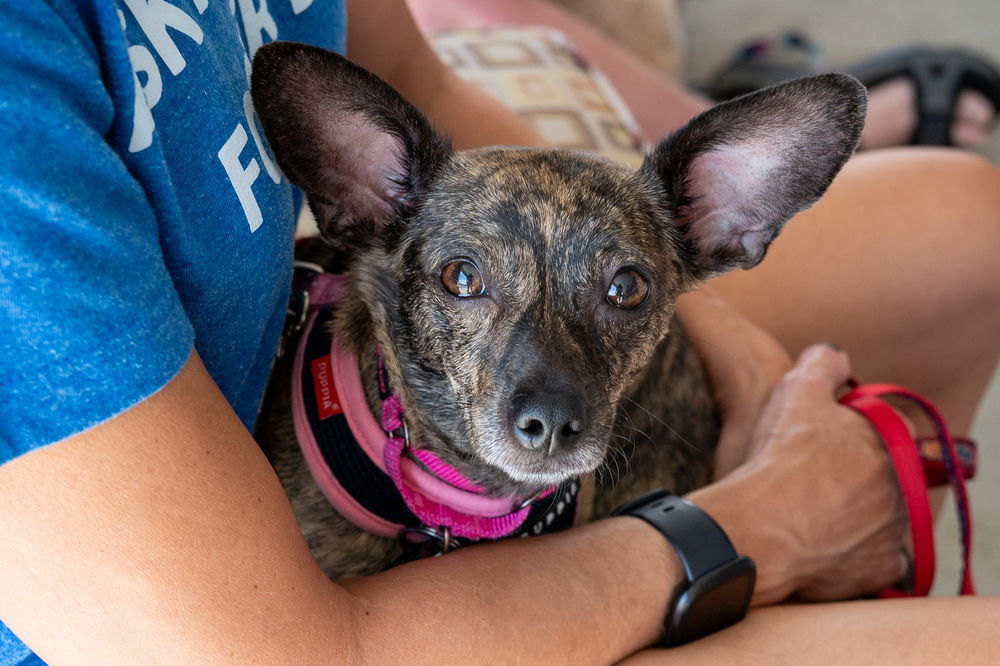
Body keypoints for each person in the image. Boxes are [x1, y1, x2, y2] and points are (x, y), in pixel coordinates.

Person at [0, 1, 998, 664]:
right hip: (254, 621)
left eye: (626, 290)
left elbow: (413, 82)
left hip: (377, 365)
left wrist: (738, 356)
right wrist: (770, 525)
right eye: (465, 281)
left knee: (964, 233)